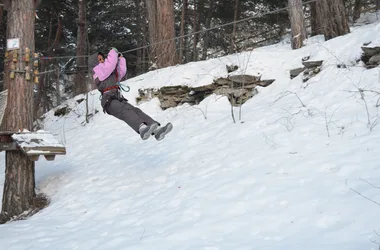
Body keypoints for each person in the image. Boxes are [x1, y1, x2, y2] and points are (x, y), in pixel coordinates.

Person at [88, 48, 173, 141]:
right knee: (125, 111)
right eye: (100, 60)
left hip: (117, 98)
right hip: (109, 101)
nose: (103, 61)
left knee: (136, 111)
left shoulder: (108, 73)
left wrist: (120, 59)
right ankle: (142, 128)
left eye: (103, 59)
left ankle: (156, 130)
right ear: (94, 63)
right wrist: (113, 52)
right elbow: (110, 65)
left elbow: (121, 72)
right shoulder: (97, 72)